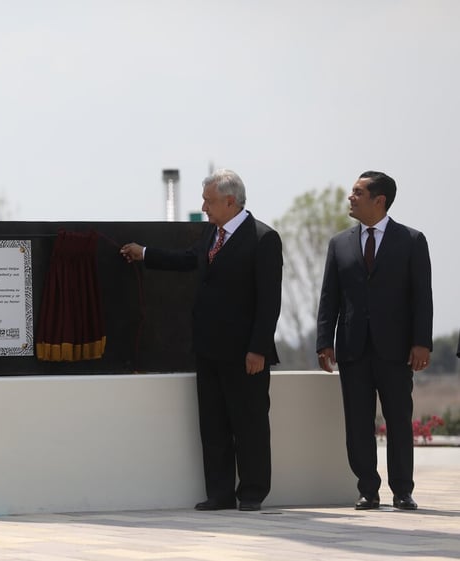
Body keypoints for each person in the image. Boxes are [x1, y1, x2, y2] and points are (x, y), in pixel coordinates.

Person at [120, 169, 283, 512]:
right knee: (214, 425)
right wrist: (144, 253)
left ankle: (252, 493)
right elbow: (187, 260)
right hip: (209, 350)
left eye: (209, 201)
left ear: (229, 200)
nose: (204, 207)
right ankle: (220, 493)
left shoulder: (263, 238)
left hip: (244, 354)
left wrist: (257, 349)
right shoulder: (213, 235)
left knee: (249, 423)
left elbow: (269, 301)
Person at [316, 170, 432, 511]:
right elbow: (329, 297)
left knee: (398, 420)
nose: (350, 197)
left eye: (357, 192)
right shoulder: (339, 244)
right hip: (353, 349)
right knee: (358, 422)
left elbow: (421, 297)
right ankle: (368, 489)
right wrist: (325, 341)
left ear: (379, 200)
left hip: (396, 350)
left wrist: (421, 342)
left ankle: (402, 490)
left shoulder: (411, 241)